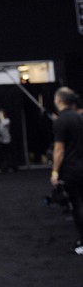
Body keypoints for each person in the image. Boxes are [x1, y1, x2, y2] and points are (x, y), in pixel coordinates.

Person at [50, 87, 83, 255]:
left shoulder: (61, 121)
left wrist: (55, 172)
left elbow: (59, 150)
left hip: (71, 170)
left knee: (76, 205)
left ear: (60, 100)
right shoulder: (79, 116)